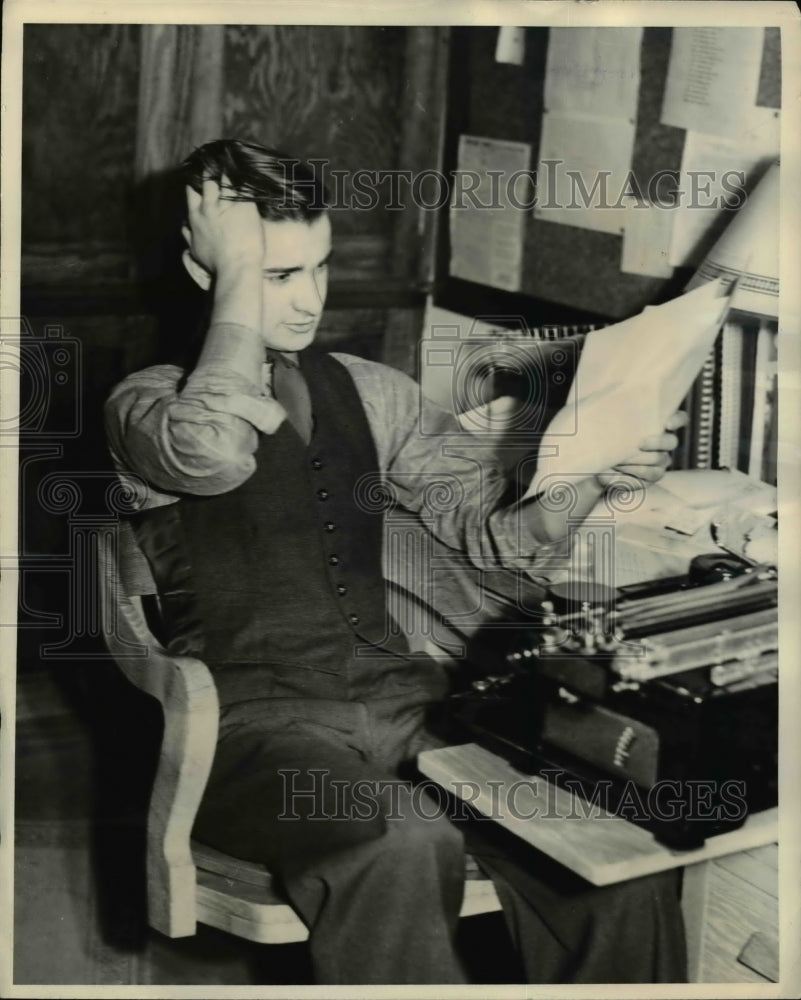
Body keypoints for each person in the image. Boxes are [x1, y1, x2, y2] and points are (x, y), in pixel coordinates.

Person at [105, 139, 688, 985]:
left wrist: (593, 476)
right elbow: (214, 456)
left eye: (319, 267)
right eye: (275, 277)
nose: (308, 302)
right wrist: (232, 272)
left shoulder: (370, 390)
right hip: (254, 735)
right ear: (210, 274)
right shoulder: (145, 405)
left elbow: (492, 532)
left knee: (614, 856)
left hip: (404, 703)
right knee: (400, 844)